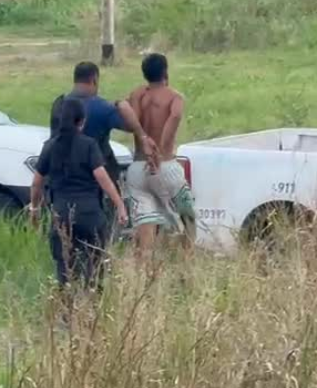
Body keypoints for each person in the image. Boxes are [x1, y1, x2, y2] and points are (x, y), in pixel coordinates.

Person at [30, 97, 129, 291]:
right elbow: (102, 177)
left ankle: (68, 304)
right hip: (90, 213)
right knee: (95, 265)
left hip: (61, 214)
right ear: (82, 122)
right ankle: (93, 300)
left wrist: (34, 208)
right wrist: (119, 205)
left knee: (65, 269)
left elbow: (36, 183)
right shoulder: (89, 145)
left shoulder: (50, 146)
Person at [125, 53, 196, 258]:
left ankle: (144, 267)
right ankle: (188, 259)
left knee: (145, 225)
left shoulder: (136, 95)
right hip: (164, 165)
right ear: (165, 71)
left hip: (138, 168)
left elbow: (131, 120)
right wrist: (160, 150)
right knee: (187, 216)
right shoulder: (174, 97)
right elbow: (175, 115)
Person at [50, 62, 157, 187]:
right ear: (94, 80)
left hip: (63, 178)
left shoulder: (59, 104)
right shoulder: (102, 107)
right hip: (97, 178)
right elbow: (130, 126)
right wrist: (123, 105)